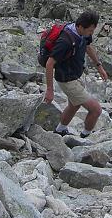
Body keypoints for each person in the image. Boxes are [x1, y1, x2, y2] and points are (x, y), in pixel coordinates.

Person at [43, 10, 108, 138]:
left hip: (75, 75)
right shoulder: (65, 41)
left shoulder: (83, 33)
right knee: (96, 110)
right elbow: (49, 64)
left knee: (74, 105)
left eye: (92, 30)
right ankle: (86, 137)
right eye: (90, 31)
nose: (91, 34)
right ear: (79, 26)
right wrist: (50, 90)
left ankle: (60, 130)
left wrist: (99, 67)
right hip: (66, 79)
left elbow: (88, 47)